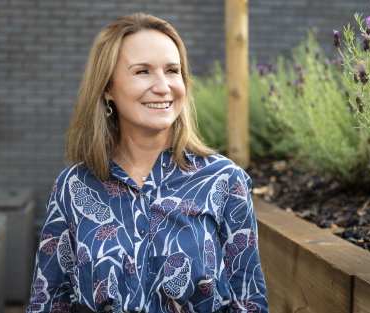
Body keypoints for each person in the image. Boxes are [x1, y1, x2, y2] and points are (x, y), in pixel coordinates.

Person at [27, 12, 268, 313]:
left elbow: (249, 302)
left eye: (172, 70)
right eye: (142, 71)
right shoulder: (72, 187)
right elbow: (47, 302)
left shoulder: (225, 181)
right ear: (107, 88)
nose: (163, 86)